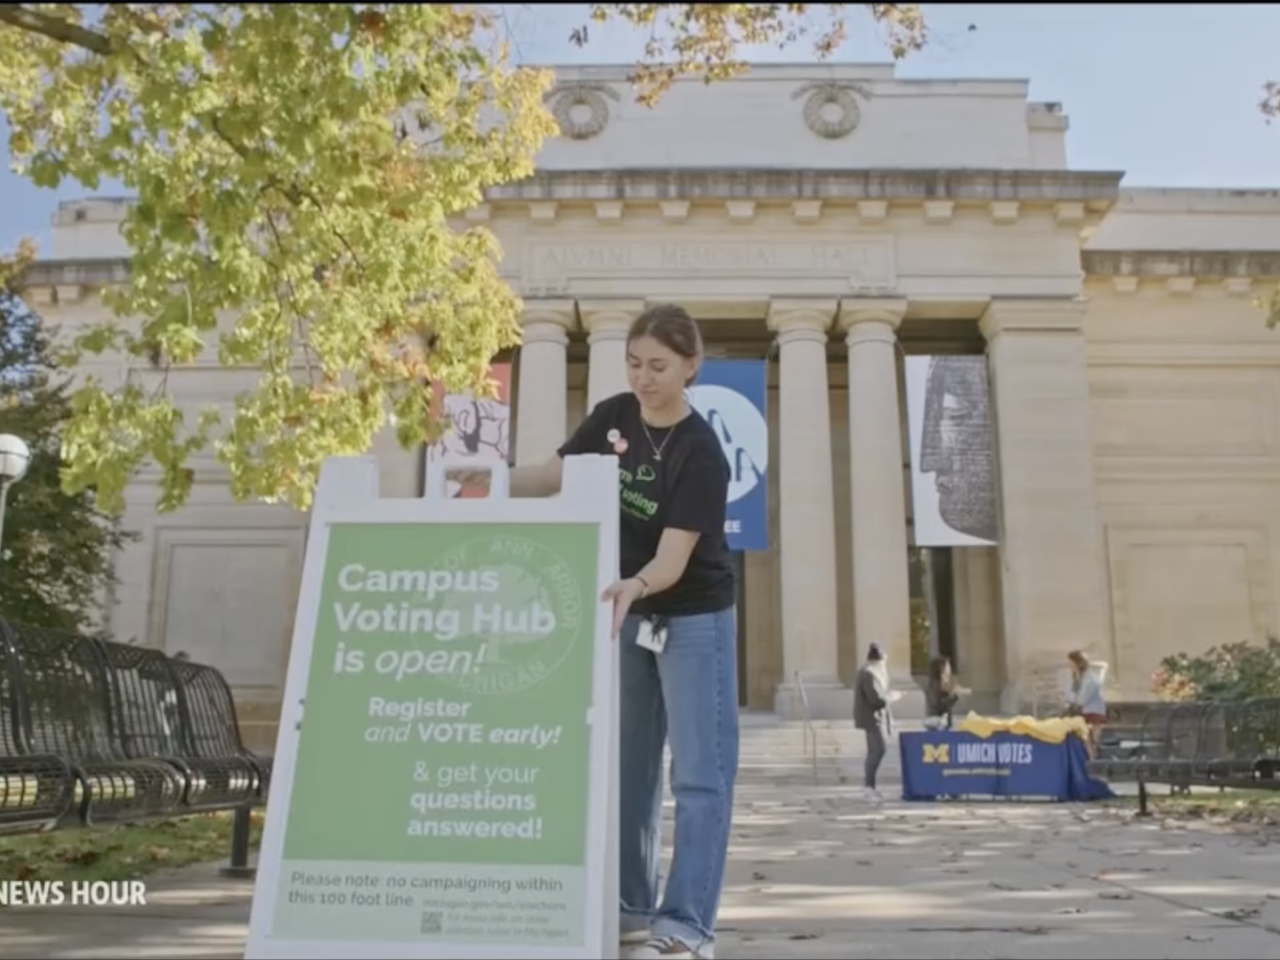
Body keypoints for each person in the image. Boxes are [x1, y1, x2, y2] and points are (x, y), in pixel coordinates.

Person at [502, 303, 738, 960]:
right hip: (629, 610)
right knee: (630, 767)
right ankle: (631, 907)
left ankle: (687, 925)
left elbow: (671, 560)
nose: (643, 378)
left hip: (691, 614)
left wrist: (635, 585)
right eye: (634, 363)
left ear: (690, 367)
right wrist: (487, 482)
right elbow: (553, 477)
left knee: (700, 775)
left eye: (658, 366)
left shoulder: (701, 453)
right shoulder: (613, 417)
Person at [853, 643, 896, 801]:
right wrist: (891, 697)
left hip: (871, 718)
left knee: (875, 751)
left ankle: (870, 786)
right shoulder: (869, 674)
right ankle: (869, 787)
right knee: (878, 750)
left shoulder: (867, 673)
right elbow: (875, 698)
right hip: (872, 719)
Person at [1065, 650, 1107, 756]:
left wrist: (1069, 697)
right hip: (1081, 713)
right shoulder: (1076, 678)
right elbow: (1070, 694)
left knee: (1090, 740)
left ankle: (1093, 761)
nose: (1070, 667)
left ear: (1078, 664)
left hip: (1093, 713)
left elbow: (1082, 699)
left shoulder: (1092, 680)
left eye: (1071, 664)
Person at [925, 656, 960, 730]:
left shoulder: (943, 684)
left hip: (943, 722)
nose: (949, 668)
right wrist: (954, 695)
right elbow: (939, 704)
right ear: (941, 668)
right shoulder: (935, 685)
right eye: (947, 665)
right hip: (937, 723)